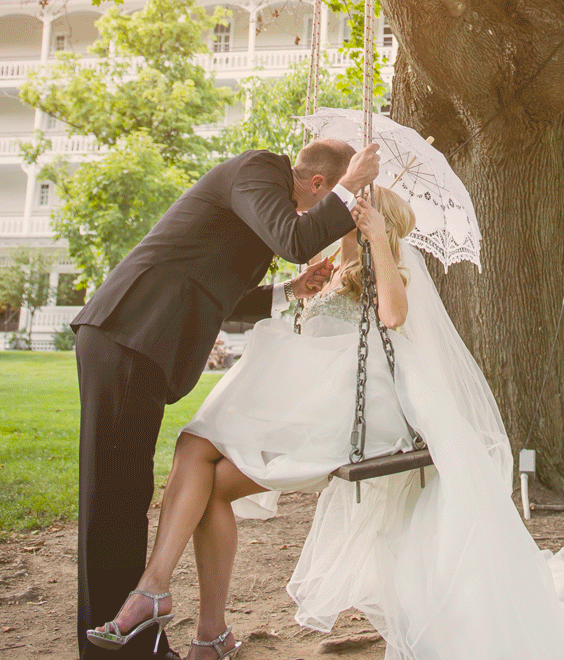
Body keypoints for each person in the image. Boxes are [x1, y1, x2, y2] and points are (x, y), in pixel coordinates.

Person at [87, 186, 564, 660]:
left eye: (356, 220)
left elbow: (396, 316)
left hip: (348, 429)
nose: (343, 226)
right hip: (306, 415)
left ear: (376, 225)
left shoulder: (385, 268)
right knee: (202, 465)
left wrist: (373, 235)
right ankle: (203, 626)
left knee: (204, 463)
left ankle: (168, 599)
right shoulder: (335, 273)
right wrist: (303, 287)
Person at [71, 137, 380, 660]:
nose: (316, 212)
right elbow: (294, 237)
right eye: (328, 197)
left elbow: (215, 286)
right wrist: (353, 186)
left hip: (141, 340)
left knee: (125, 495)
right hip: (128, 328)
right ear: (319, 184)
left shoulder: (261, 200)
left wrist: (291, 290)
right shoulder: (257, 170)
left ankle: (132, 644)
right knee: (112, 499)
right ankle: (114, 651)